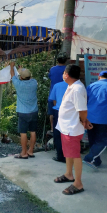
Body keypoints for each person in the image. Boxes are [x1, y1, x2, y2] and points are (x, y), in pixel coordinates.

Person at [54, 64, 92, 195]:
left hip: (72, 128)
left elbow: (82, 110)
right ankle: (69, 174)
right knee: (68, 153)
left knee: (75, 155)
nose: (63, 74)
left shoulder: (76, 89)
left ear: (67, 74)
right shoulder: (72, 86)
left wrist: (84, 121)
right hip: (66, 127)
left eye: (64, 72)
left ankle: (78, 183)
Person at [10, 62, 38, 159]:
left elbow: (13, 76)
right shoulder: (34, 83)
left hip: (23, 113)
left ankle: (24, 153)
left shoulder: (19, 84)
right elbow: (27, 78)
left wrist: (11, 66)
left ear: (21, 77)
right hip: (34, 111)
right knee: (33, 131)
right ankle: (31, 151)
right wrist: (21, 71)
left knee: (23, 133)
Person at [82, 71, 107, 169]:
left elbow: (85, 100)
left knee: (92, 139)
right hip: (103, 118)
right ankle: (89, 158)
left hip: (90, 117)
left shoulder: (91, 86)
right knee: (103, 140)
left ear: (99, 76)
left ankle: (96, 161)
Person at [47, 53, 67, 132]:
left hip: (53, 93)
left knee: (52, 113)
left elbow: (50, 77)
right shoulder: (67, 69)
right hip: (64, 94)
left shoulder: (52, 69)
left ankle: (52, 128)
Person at [49, 80, 68, 163]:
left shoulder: (57, 85)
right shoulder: (78, 86)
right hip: (71, 112)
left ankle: (60, 156)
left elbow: (53, 100)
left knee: (58, 134)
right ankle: (69, 155)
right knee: (68, 134)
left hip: (59, 111)